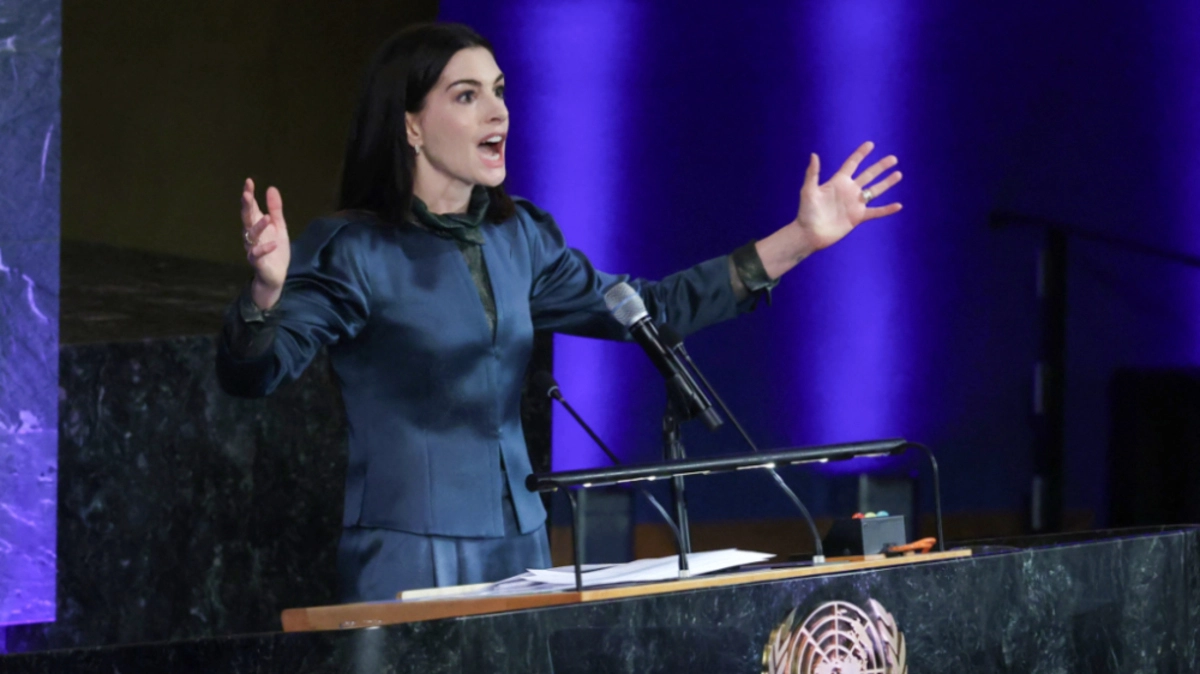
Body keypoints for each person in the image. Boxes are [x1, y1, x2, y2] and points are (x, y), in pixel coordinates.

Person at [216, 22, 902, 603]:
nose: (498, 113)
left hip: (522, 540)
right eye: (467, 96)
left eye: (499, 91)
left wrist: (800, 238)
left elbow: (651, 308)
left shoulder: (520, 238)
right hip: (409, 549)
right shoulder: (355, 249)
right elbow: (254, 373)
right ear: (411, 126)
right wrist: (268, 292)